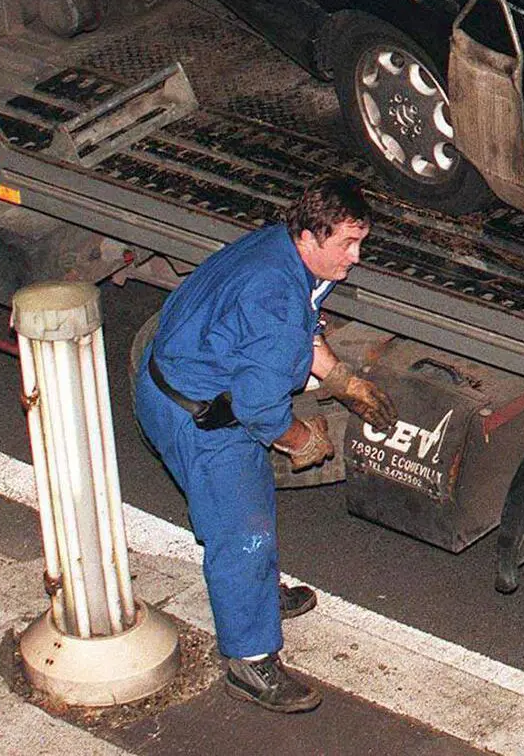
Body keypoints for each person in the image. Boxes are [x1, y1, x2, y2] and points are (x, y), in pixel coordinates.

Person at [133, 175, 398, 714]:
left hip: (169, 381)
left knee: (237, 505)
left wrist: (341, 380)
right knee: (242, 529)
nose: (356, 257)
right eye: (346, 244)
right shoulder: (275, 298)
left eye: (360, 242)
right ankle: (250, 662)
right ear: (309, 237)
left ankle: (254, 594)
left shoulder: (278, 248)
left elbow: (297, 331)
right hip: (200, 416)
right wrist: (302, 441)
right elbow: (260, 411)